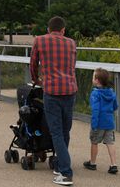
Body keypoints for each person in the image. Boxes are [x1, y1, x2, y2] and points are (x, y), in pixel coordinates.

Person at [30, 16, 78, 186]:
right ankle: (59, 166)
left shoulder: (40, 40)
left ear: (48, 29)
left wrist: (37, 80)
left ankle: (66, 173)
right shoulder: (72, 43)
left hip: (51, 90)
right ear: (63, 30)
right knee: (65, 131)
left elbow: (33, 64)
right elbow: (72, 65)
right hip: (70, 89)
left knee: (56, 132)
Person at [83, 68, 119, 175]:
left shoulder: (95, 94)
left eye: (93, 77)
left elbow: (95, 110)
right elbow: (115, 106)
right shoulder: (111, 92)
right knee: (110, 142)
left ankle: (92, 163)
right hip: (109, 122)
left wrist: (94, 124)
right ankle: (113, 164)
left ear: (97, 80)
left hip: (99, 123)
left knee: (94, 142)